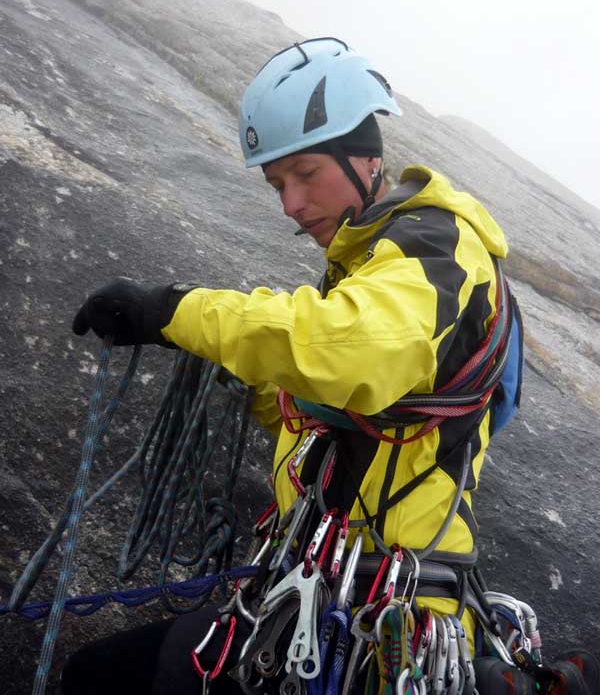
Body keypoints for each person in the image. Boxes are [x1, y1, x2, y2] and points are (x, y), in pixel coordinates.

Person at [63, 38, 591, 694]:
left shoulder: (437, 245)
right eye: (278, 183)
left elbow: (349, 352)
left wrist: (172, 312)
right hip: (317, 591)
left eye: (306, 173)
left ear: (367, 157)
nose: (290, 203)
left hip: (385, 616)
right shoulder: (371, 268)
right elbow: (325, 405)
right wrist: (245, 382)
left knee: (104, 678)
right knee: (99, 674)